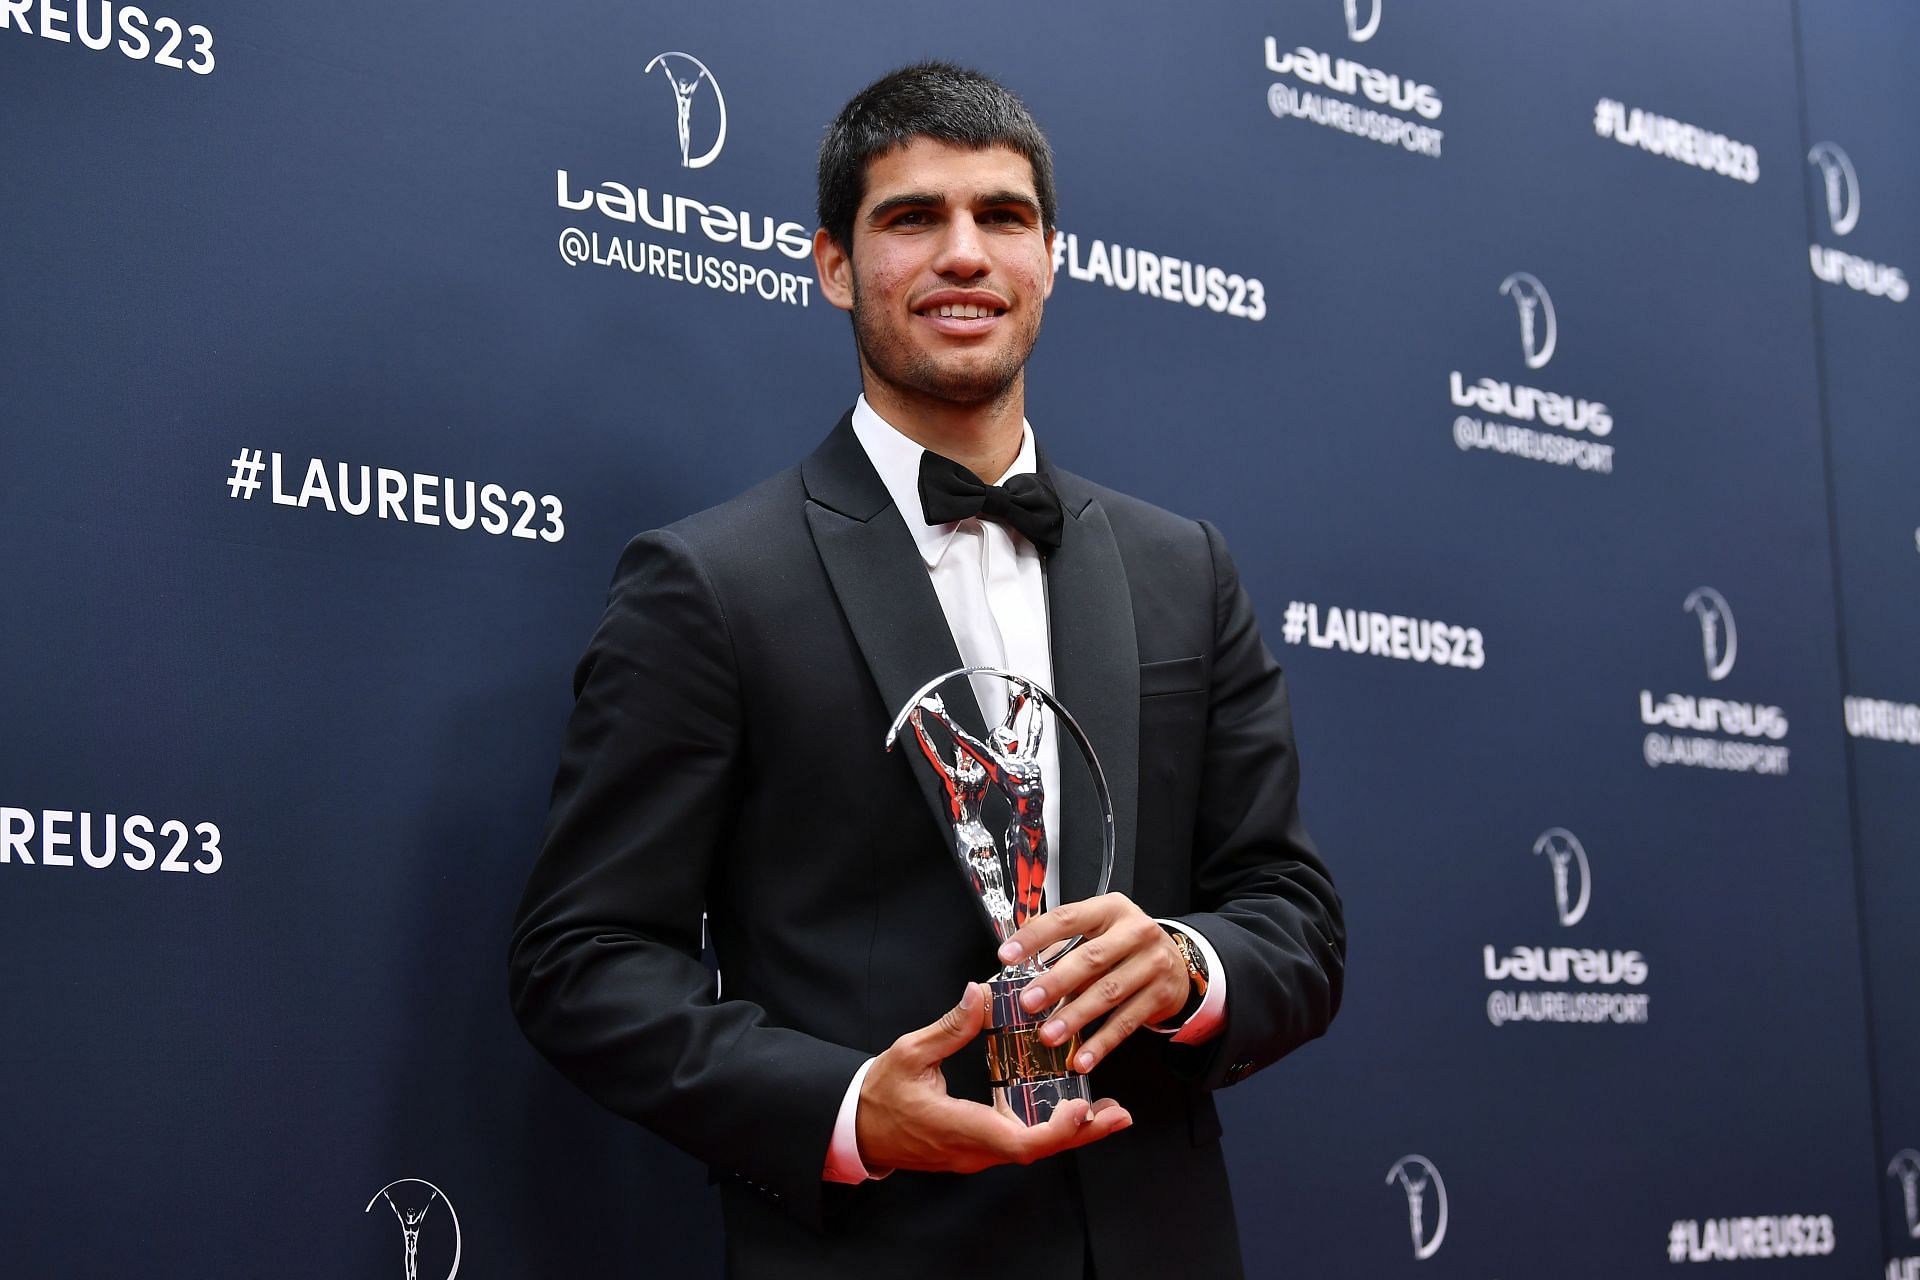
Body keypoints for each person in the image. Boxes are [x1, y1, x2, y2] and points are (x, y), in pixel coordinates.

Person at [508, 61, 1345, 1279]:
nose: (965, 253)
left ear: (1050, 258)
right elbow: (581, 958)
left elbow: (1295, 914)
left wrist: (1185, 963)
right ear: (835, 265)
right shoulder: (710, 581)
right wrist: (845, 1108)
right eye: (913, 217)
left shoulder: (1185, 568)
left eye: (1002, 216)